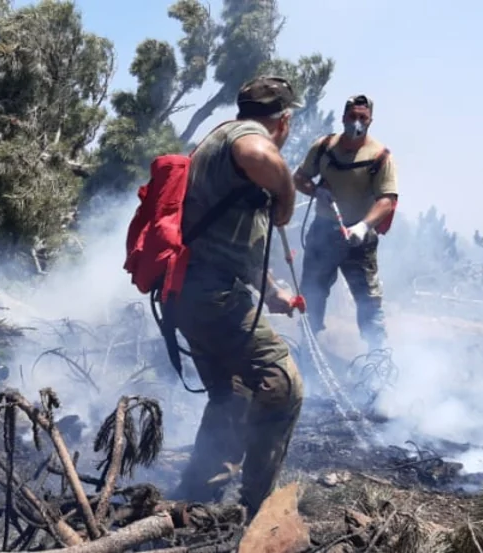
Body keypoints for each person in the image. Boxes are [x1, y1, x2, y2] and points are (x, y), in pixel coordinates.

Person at [167, 75, 305, 519]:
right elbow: (257, 149)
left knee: (233, 391)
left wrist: (274, 292)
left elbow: (236, 245)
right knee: (282, 385)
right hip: (212, 295)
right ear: (283, 121)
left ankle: (198, 497)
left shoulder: (217, 147)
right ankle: (256, 506)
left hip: (191, 291)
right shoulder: (244, 139)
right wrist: (286, 191)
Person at [293, 94, 398, 352]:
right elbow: (300, 178)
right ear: (343, 118)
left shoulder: (380, 156)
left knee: (369, 302)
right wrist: (316, 192)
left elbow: (387, 200)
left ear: (370, 120)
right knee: (312, 295)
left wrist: (363, 227)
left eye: (362, 117)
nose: (357, 122)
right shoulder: (324, 147)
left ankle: (377, 360)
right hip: (323, 233)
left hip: (359, 240)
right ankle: (308, 353)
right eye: (352, 116)